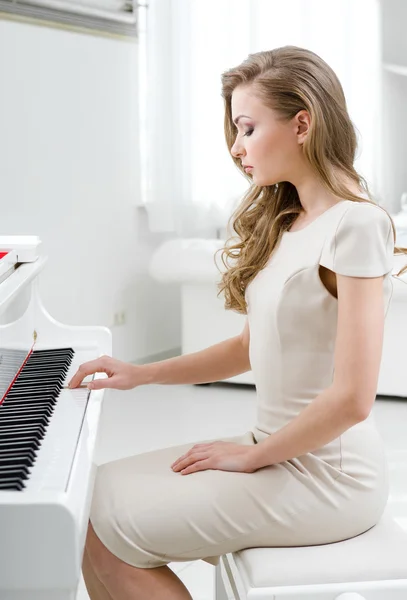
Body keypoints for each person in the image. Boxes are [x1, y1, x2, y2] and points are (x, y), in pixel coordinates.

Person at [69, 46, 407, 600]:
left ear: (303, 124)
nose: (236, 147)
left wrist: (251, 457)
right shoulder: (288, 220)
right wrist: (140, 373)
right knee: (89, 500)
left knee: (111, 529)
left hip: (328, 477)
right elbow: (249, 348)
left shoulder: (358, 223)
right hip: (274, 447)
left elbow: (353, 399)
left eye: (247, 128)